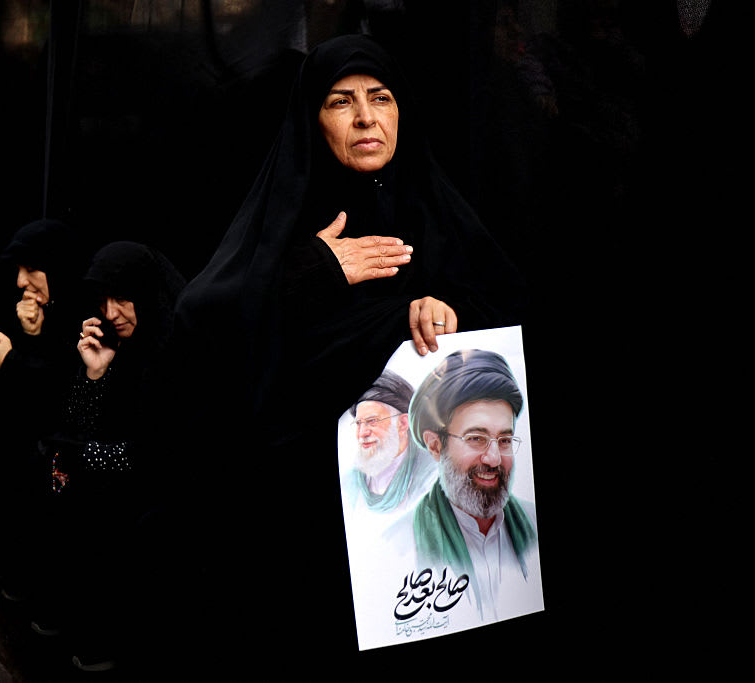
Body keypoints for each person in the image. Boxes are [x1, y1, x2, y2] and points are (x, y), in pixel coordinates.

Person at [172, 34, 528, 657]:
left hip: (422, 550)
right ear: (313, 120)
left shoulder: (435, 209)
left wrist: (445, 311)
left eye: (381, 97)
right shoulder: (287, 222)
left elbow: (506, 307)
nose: (365, 117)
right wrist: (312, 271)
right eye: (341, 101)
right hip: (303, 523)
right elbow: (204, 326)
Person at [47, 240, 185, 674]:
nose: (111, 313)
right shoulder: (118, 350)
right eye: (103, 300)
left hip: (155, 534)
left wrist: (84, 456)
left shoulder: (178, 354)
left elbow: (159, 458)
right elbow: (76, 427)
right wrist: (94, 373)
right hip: (106, 524)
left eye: (123, 298)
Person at [0, 218, 91, 603]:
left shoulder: (90, 318)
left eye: (31, 269)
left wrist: (11, 362)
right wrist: (31, 336)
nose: (21, 282)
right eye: (19, 270)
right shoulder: (48, 311)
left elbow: (67, 397)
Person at [409, 349, 540, 620]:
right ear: (435, 446)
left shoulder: (533, 525)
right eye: (476, 438)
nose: (494, 459)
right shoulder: (401, 546)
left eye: (504, 440)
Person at [345, 370, 435, 514]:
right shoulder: (350, 482)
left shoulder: (431, 473)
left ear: (403, 423)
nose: (362, 433)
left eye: (372, 421)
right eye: (358, 423)